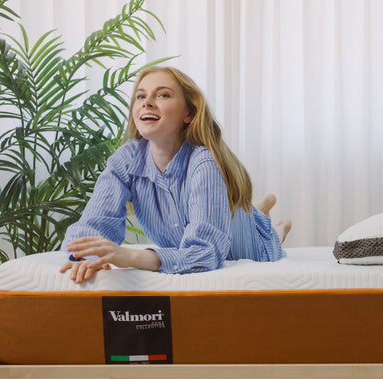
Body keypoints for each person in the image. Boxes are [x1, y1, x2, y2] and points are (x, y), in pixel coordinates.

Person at [60, 66, 291, 283]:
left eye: (163, 95)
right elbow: (92, 224)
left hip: (254, 245)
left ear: (188, 114)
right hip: (219, 219)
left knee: (269, 237)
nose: (147, 102)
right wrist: (88, 259)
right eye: (140, 96)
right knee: (236, 212)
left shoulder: (203, 162)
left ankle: (274, 224)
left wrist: (131, 257)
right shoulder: (126, 159)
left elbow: (204, 254)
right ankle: (254, 207)